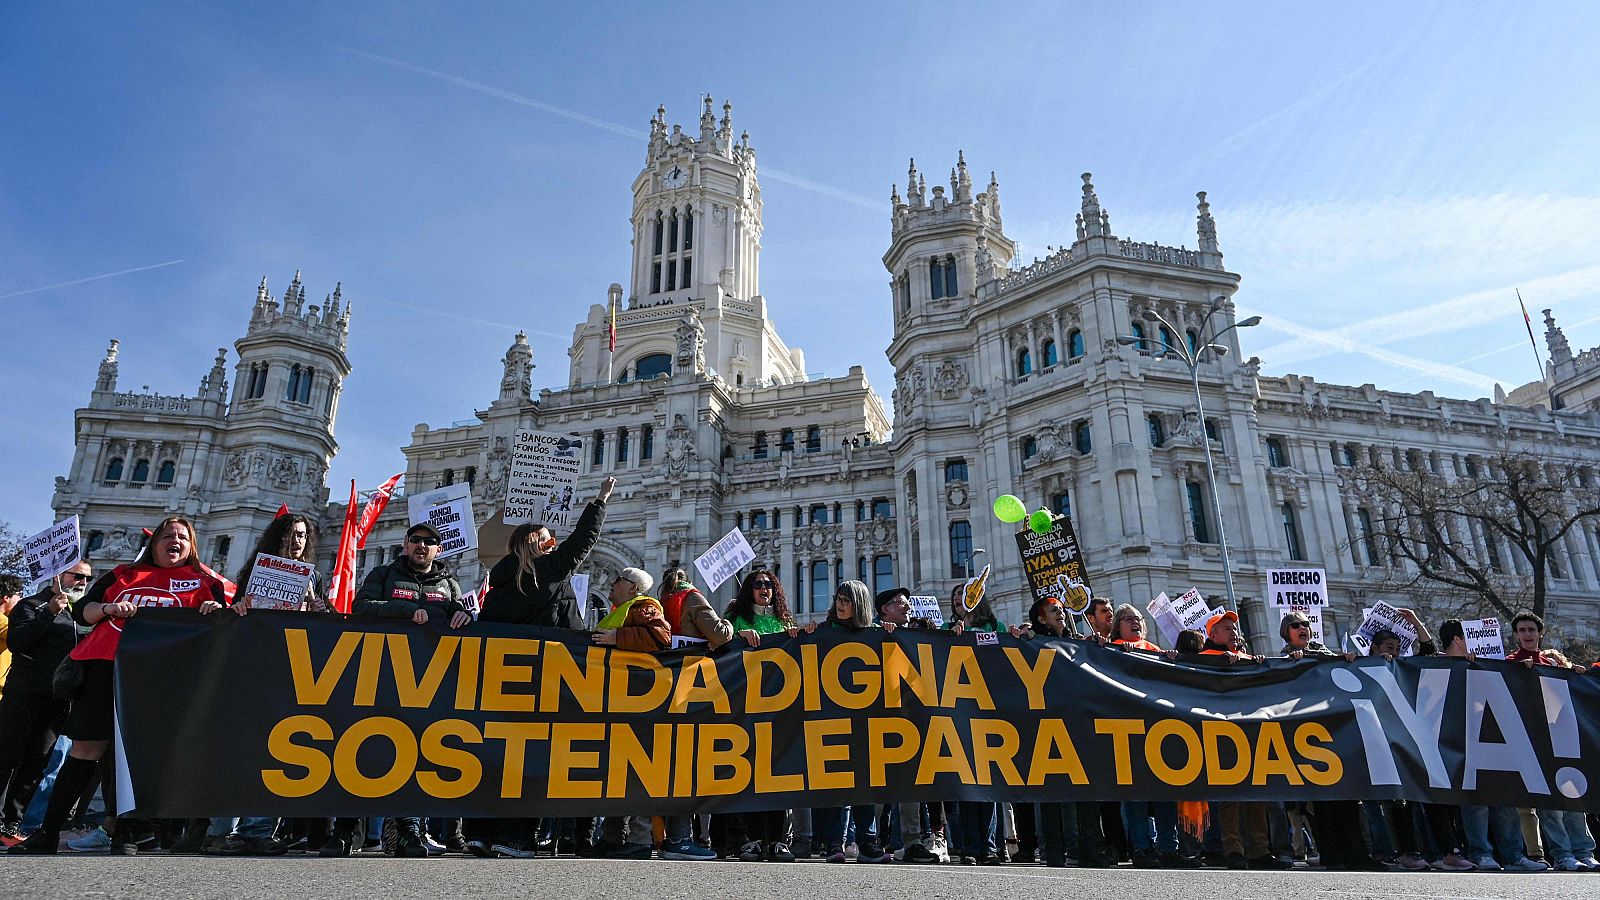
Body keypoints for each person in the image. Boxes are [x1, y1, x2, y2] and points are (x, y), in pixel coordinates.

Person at [12, 517, 230, 856]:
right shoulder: (122, 574)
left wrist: (216, 611)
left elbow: (221, 629)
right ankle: (49, 832)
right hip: (105, 666)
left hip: (162, 677)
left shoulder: (206, 583)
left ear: (191, 547)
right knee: (86, 749)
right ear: (154, 543)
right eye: (166, 535)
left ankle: (126, 833)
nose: (174, 540)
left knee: (139, 755)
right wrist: (108, 608)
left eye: (182, 537)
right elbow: (83, 611)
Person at [201, 514, 327, 856]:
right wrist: (239, 606)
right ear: (276, 537)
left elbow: (322, 629)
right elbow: (235, 615)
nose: (296, 541)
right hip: (253, 665)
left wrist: (319, 608)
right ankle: (220, 831)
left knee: (279, 749)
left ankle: (257, 830)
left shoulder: (313, 577)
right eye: (290, 534)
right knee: (241, 747)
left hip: (290, 669)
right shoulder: (255, 572)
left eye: (302, 536)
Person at [350, 520, 469, 858]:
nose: (422, 546)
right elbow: (361, 608)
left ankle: (409, 829)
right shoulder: (383, 575)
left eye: (429, 542)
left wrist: (464, 617)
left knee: (421, 750)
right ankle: (347, 830)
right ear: (405, 544)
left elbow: (459, 619)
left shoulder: (449, 585)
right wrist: (406, 610)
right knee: (369, 746)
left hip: (429, 682)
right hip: (383, 674)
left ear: (438, 549)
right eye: (416, 539)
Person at [0, 562, 91, 845]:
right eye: (78, 576)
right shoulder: (30, 605)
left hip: (57, 701)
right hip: (23, 695)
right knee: (6, 757)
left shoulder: (79, 615)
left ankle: (12, 822)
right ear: (59, 576)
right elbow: (17, 643)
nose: (83, 582)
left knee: (36, 763)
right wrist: (49, 613)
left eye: (87, 578)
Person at [803, 581, 890, 864]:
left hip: (865, 721)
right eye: (838, 599)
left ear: (859, 604)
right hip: (832, 719)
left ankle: (868, 842)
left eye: (847, 600)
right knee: (835, 782)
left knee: (866, 782)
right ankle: (833, 842)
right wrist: (799, 635)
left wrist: (893, 635)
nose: (840, 605)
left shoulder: (875, 633)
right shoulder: (823, 631)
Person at [1504, 611, 1597, 870]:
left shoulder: (1553, 664)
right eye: (1522, 630)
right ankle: (1563, 854)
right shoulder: (1509, 663)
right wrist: (1519, 673)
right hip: (1533, 741)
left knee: (1574, 797)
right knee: (1551, 803)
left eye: (1531, 629)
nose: (1527, 634)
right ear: (1516, 635)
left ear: (1540, 633)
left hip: (1562, 738)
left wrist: (1575, 674)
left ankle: (1584, 851)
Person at [719, 570, 798, 862]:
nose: (764, 589)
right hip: (747, 708)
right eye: (757, 584)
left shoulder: (784, 621)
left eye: (768, 584)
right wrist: (737, 635)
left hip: (779, 710)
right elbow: (718, 642)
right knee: (750, 775)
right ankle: (752, 840)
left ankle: (777, 840)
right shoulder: (738, 619)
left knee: (777, 775)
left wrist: (799, 635)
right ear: (749, 590)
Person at [1024, 596, 1108, 868]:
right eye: (1053, 610)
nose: (1060, 613)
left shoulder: (1079, 642)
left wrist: (1097, 645)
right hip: (1048, 727)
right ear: (1041, 618)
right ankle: (1054, 852)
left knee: (1086, 790)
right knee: (1052, 793)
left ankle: (1091, 849)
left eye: (1061, 609)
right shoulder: (1033, 642)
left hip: (1078, 725)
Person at [875, 586, 948, 864]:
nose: (907, 607)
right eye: (900, 603)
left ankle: (912, 841)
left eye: (907, 603)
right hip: (879, 719)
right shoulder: (873, 635)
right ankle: (871, 838)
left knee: (910, 782)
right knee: (876, 785)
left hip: (909, 720)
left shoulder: (915, 636)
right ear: (885, 610)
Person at [480, 476, 613, 629]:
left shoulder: (495, 592)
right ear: (536, 543)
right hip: (550, 643)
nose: (553, 546)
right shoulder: (551, 570)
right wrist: (601, 498)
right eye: (549, 542)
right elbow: (583, 537)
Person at [660, 567, 734, 650]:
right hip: (692, 656)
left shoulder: (661, 602)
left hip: (668, 656)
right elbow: (721, 636)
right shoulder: (693, 598)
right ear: (690, 582)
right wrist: (727, 622)